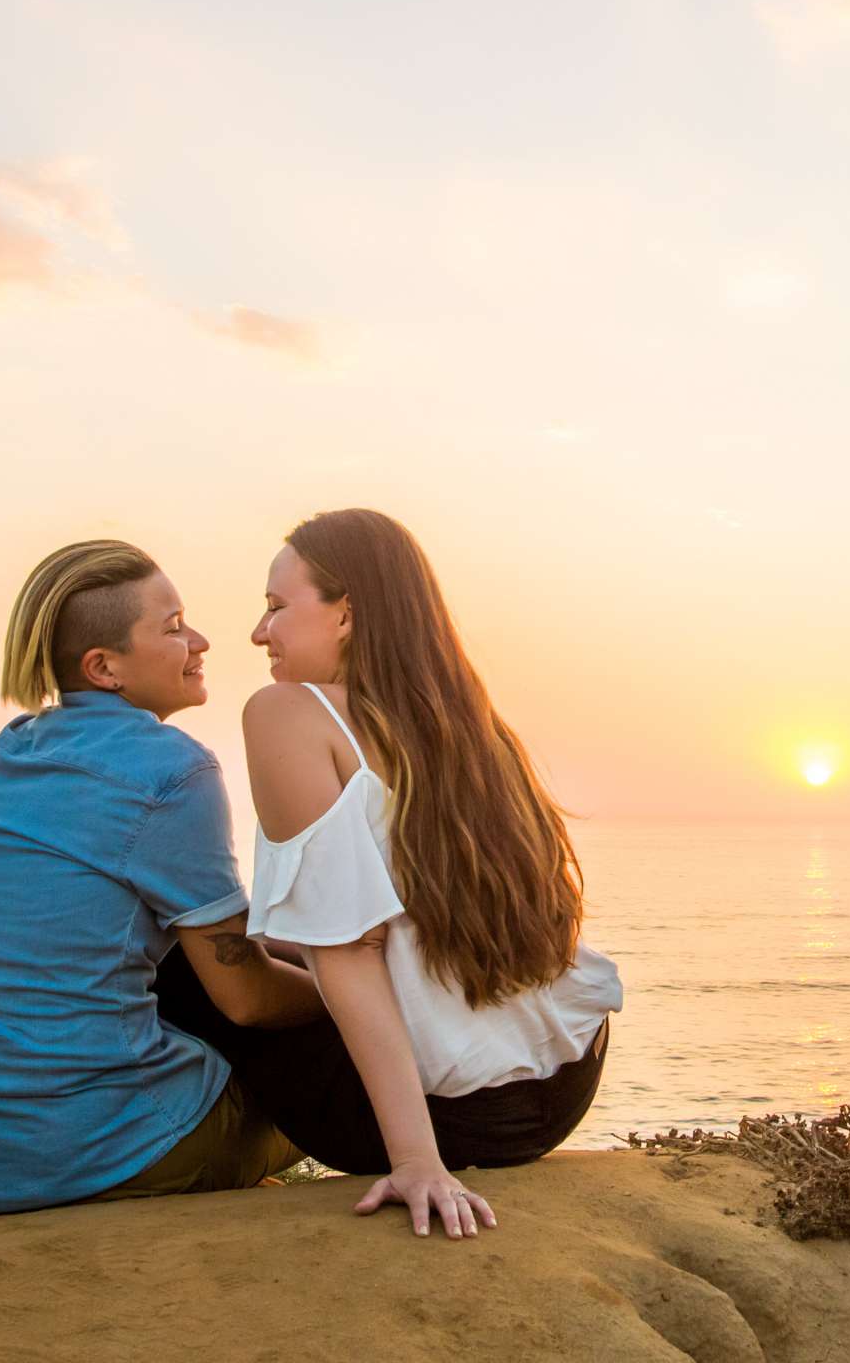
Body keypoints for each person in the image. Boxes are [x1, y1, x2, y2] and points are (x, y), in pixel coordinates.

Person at [0, 540, 326, 1213]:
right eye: (173, 627)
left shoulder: (14, 747)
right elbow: (246, 997)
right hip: (84, 1150)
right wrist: (366, 993)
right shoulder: (172, 770)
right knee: (352, 1063)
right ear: (104, 667)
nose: (201, 640)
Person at [238, 508, 623, 1241]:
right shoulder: (473, 730)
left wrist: (417, 1160)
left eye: (276, 607)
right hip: (566, 1082)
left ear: (346, 612)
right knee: (277, 944)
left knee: (192, 971)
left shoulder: (286, 713)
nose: (261, 633)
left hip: (450, 1122)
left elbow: (350, 950)